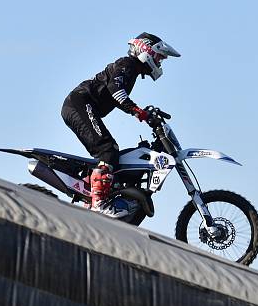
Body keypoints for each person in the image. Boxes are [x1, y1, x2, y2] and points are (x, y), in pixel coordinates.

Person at [61, 32, 180, 218]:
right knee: (107, 149)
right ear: (146, 50)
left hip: (80, 106)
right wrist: (138, 112)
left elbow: (118, 95)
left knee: (111, 152)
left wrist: (145, 114)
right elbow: (116, 91)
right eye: (159, 57)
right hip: (79, 104)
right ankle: (98, 203)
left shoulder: (131, 70)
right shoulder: (127, 64)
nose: (159, 62)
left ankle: (93, 191)